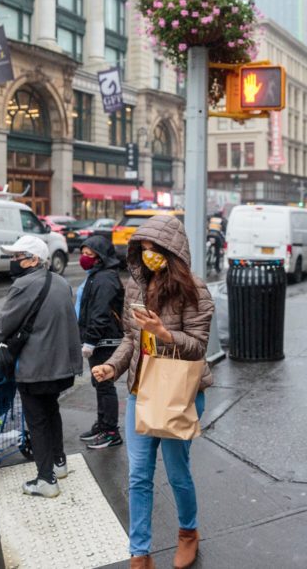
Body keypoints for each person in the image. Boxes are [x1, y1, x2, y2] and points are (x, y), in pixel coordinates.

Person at [91, 214, 214, 569]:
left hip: (180, 391)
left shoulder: (195, 288)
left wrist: (164, 334)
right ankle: (139, 552)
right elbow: (131, 338)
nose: (148, 256)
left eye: (154, 249)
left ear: (171, 250)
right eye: (142, 249)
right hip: (141, 390)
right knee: (139, 474)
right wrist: (113, 366)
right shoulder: (135, 285)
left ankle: (188, 533)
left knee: (177, 472)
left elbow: (197, 347)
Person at [0, 235, 81, 498]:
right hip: (61, 366)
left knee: (36, 421)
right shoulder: (61, 283)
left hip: (36, 368)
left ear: (34, 259)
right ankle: (59, 464)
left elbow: (5, 324)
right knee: (51, 412)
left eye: (17, 257)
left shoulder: (23, 285)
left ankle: (46, 479)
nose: (13, 261)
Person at [76, 235, 125, 449]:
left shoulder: (105, 279)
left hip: (105, 340)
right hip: (100, 339)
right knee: (99, 384)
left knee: (104, 384)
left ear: (100, 257)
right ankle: (103, 424)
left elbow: (100, 313)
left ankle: (111, 431)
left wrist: (90, 341)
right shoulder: (97, 275)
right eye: (83, 253)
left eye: (89, 254)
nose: (84, 258)